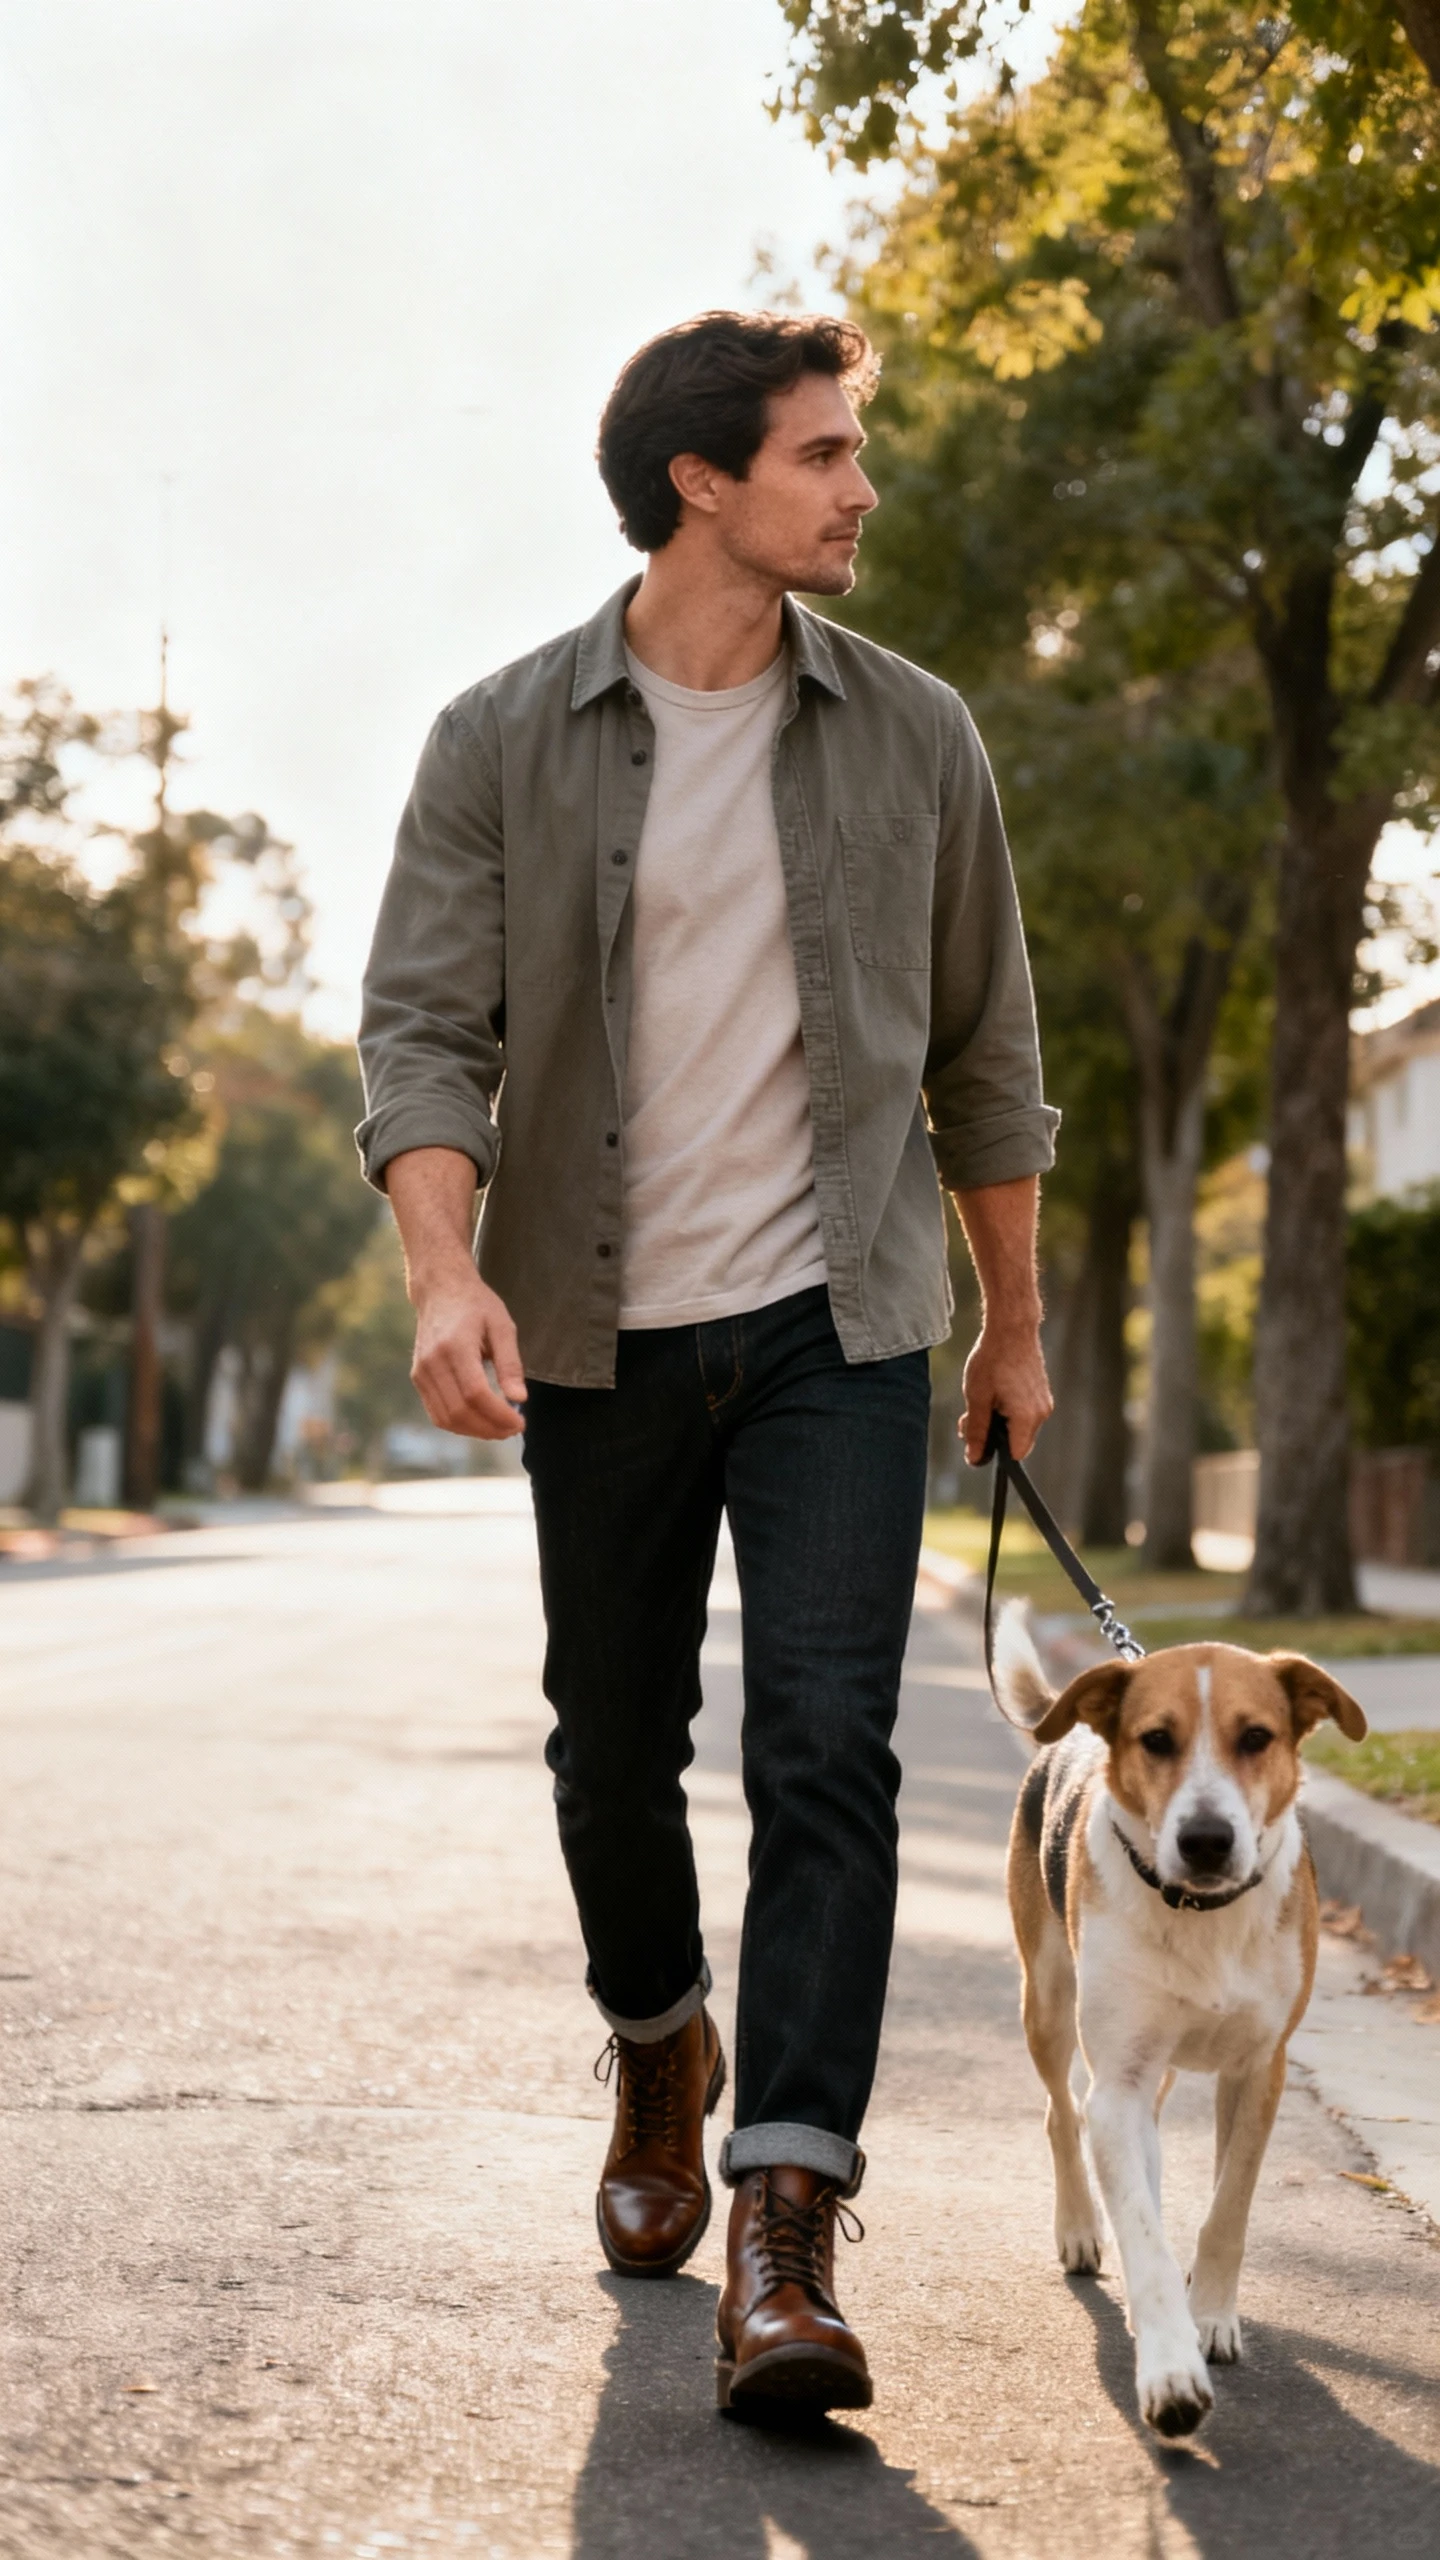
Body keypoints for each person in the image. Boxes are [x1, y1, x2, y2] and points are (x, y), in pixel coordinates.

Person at [357, 309, 1057, 2421]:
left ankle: (786, 2213)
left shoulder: (919, 732)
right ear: (702, 483)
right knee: (609, 1738)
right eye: (827, 454)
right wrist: (441, 1272)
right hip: (597, 1316)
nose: (861, 488)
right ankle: (662, 2033)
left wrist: (1013, 1321)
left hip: (843, 1315)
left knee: (831, 1741)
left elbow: (985, 1052)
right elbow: (421, 1032)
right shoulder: (503, 736)